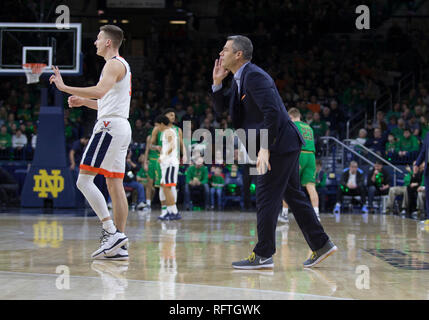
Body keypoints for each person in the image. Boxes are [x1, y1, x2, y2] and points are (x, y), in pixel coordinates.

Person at [212, 35, 336, 269]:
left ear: (239, 54)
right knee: (294, 197)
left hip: (278, 143)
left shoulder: (255, 76)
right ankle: (321, 244)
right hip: (281, 143)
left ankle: (264, 253)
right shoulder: (239, 79)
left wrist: (265, 148)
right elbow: (222, 111)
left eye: (225, 49)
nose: (221, 53)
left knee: (266, 196)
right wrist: (217, 83)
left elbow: (273, 114)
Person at [50, 25, 131, 260]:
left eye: (98, 39)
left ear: (108, 42)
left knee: (83, 180)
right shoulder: (121, 65)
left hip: (108, 128)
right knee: (114, 185)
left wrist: (64, 88)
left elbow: (99, 91)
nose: (95, 42)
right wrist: (84, 102)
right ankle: (119, 244)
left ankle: (111, 232)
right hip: (120, 125)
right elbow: (106, 100)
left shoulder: (113, 64)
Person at [279, 108, 321, 223]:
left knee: (288, 184)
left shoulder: (292, 125)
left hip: (300, 155)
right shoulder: (309, 127)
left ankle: (284, 214)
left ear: (291, 117)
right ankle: (316, 214)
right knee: (311, 186)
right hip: (311, 156)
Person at [155, 115, 181, 221]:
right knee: (164, 186)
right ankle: (168, 211)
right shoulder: (165, 132)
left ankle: (174, 212)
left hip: (170, 163)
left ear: (161, 124)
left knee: (168, 187)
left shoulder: (168, 131)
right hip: (166, 164)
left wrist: (164, 156)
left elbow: (172, 146)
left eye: (157, 125)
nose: (157, 128)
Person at [415, 131, 429, 221]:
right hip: (428, 169)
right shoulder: (427, 134)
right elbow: (423, 150)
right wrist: (417, 164)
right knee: (428, 194)